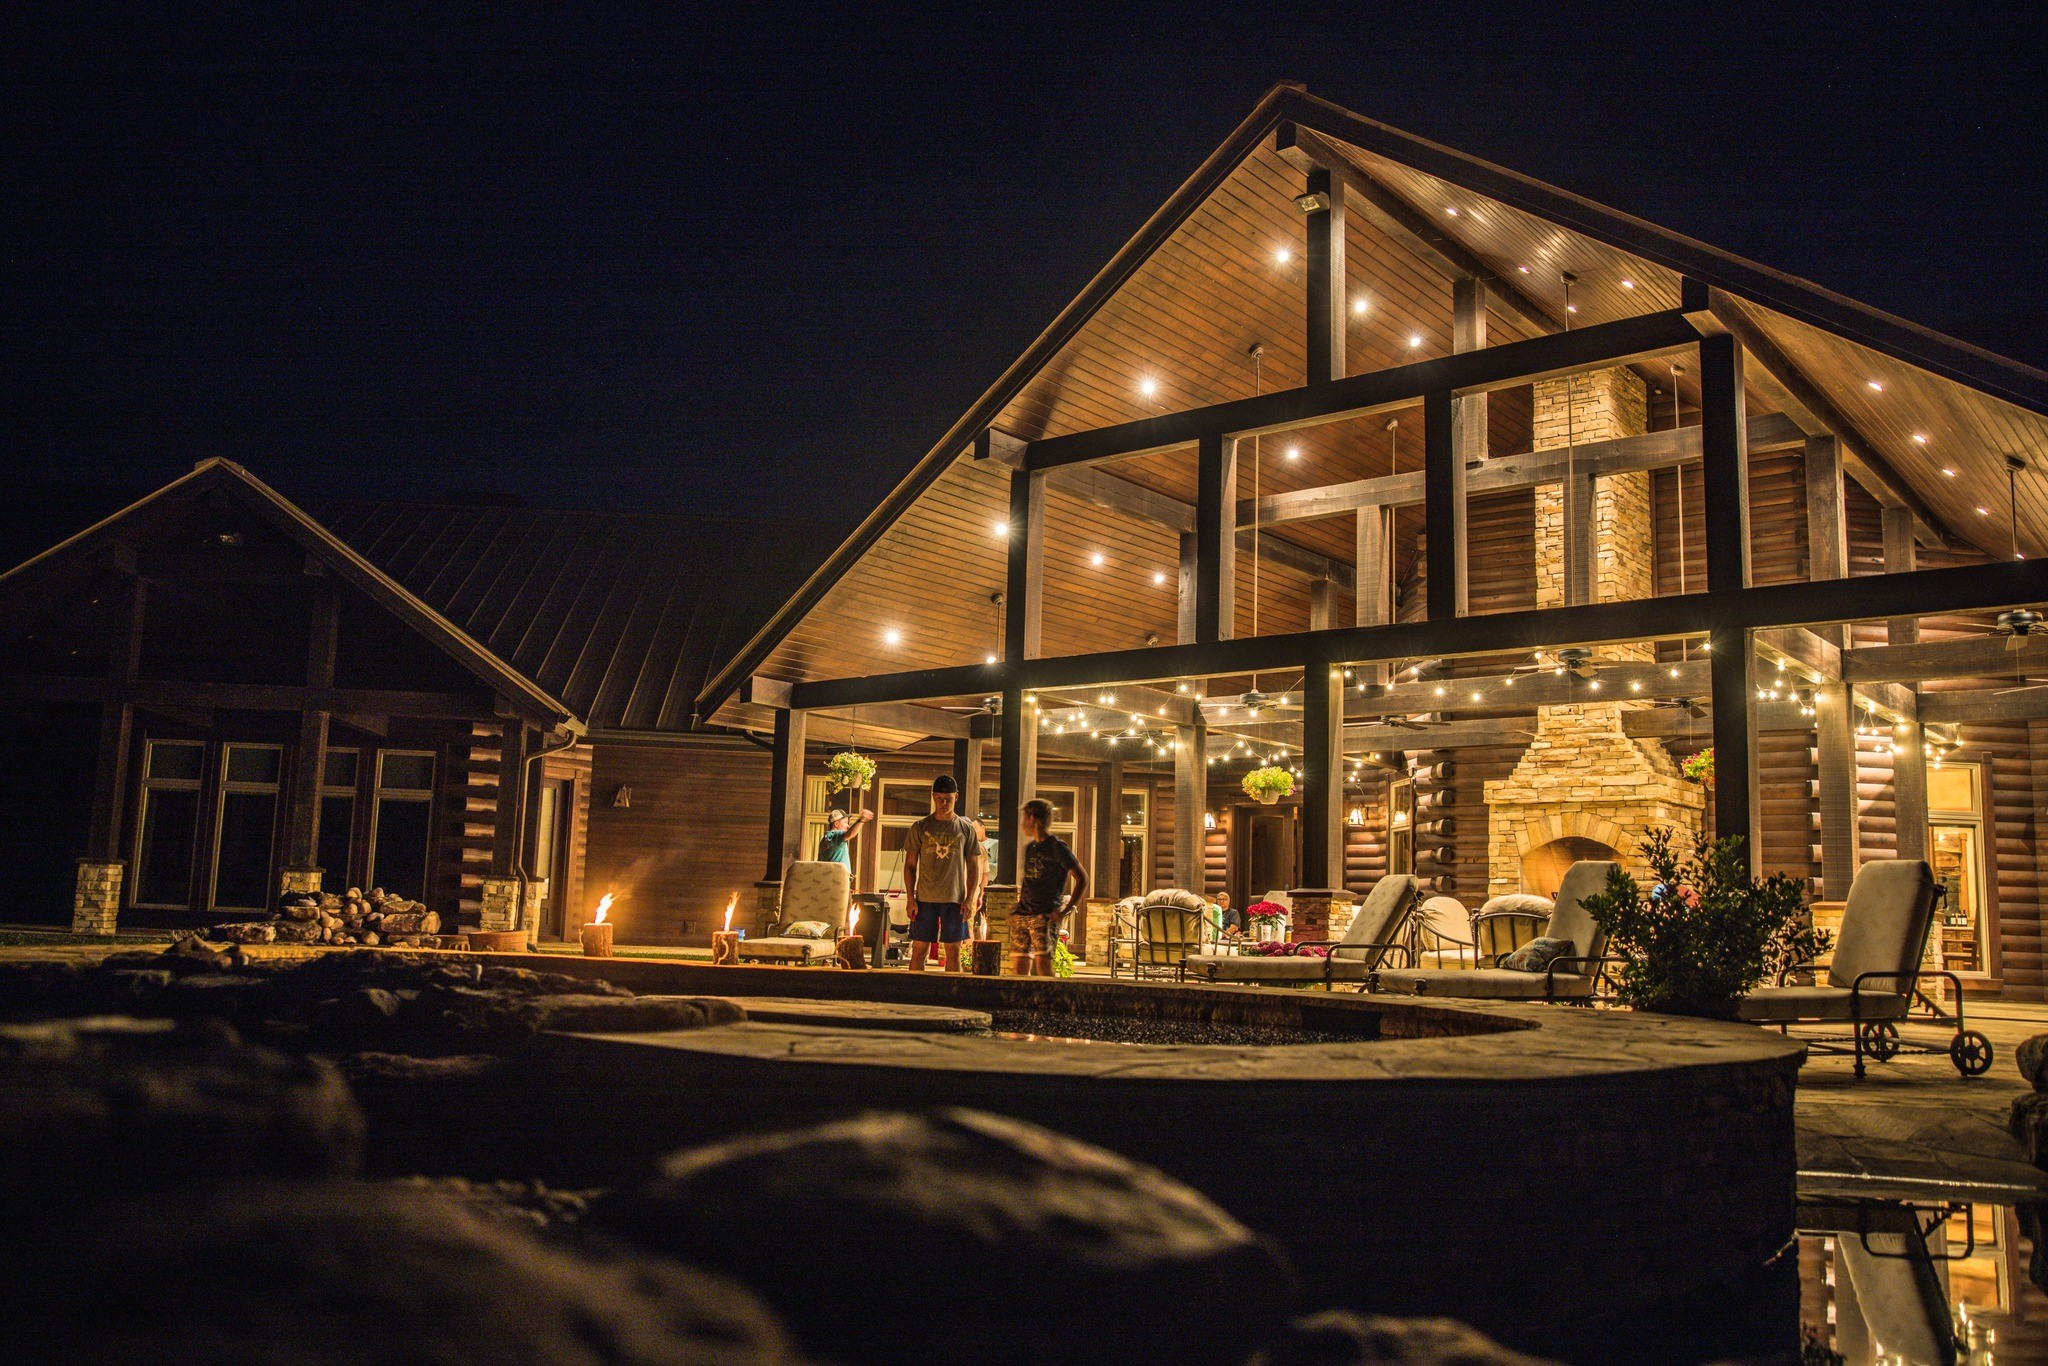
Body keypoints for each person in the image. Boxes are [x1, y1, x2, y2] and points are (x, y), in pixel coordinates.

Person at [901, 774, 985, 972]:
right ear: (933, 797)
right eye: (939, 797)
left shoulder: (966, 829)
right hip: (924, 898)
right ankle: (913, 994)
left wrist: (969, 899)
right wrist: (910, 898)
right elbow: (910, 866)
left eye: (947, 798)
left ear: (956, 797)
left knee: (953, 950)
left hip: (955, 898)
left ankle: (951, 993)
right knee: (919, 949)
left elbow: (974, 867)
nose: (943, 802)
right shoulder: (920, 827)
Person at [1010, 798, 1087, 977]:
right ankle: (1022, 1002)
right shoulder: (1030, 848)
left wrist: (1064, 911)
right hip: (1024, 914)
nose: (1022, 823)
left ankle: (1048, 1002)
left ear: (1032, 818)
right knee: (1019, 965)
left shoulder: (1057, 847)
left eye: (1024, 818)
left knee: (1043, 966)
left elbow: (1082, 878)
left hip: (1044, 915)